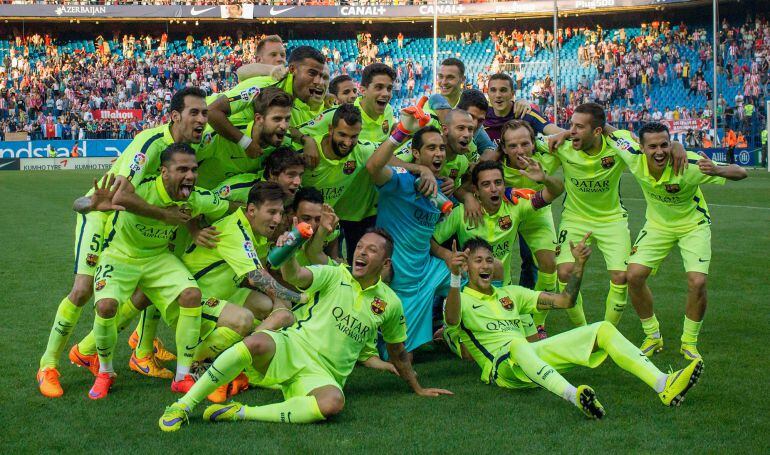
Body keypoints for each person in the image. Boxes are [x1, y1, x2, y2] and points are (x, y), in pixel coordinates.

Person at [159, 229, 451, 431]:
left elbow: (399, 351)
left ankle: (241, 412)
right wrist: (289, 252)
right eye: (360, 246)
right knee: (257, 341)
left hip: (323, 374)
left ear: (385, 263)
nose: (361, 252)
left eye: (371, 250)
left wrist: (418, 387)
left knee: (333, 403)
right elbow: (295, 275)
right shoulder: (335, 274)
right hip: (292, 347)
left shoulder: (390, 304)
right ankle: (183, 406)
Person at [37, 87, 208, 398]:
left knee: (146, 289)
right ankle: (47, 365)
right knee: (82, 290)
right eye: (194, 113)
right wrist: (164, 216)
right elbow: (119, 196)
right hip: (101, 214)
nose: (201, 120)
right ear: (175, 116)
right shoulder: (152, 142)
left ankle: (129, 349)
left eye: (205, 113)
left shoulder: (188, 148)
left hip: (134, 225)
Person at [444, 238, 704, 419]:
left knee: (602, 328)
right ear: (465, 266)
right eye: (477, 261)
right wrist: (455, 278)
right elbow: (453, 320)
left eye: (489, 260)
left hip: (530, 358)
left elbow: (565, 300)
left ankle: (663, 384)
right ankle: (572, 395)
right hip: (502, 370)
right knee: (517, 344)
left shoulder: (510, 293)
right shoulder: (458, 298)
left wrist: (578, 265)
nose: (485, 265)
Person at [83, 143, 232, 399]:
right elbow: (80, 204)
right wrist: (89, 204)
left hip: (158, 258)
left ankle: (182, 377)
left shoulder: (196, 197)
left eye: (194, 170)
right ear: (164, 172)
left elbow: (229, 206)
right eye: (182, 169)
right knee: (106, 306)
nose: (190, 176)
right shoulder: (141, 189)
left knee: (191, 295)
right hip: (119, 255)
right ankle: (105, 372)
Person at [621, 122, 747, 360]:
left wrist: (717, 170)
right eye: (653, 146)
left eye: (664, 145)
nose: (659, 151)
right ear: (641, 146)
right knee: (633, 276)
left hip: (693, 226)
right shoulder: (631, 155)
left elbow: (741, 172)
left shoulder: (687, 164)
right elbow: (607, 130)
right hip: (658, 225)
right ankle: (652, 336)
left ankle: (689, 342)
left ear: (671, 144)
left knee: (697, 282)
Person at [182, 182, 309, 401]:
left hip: (223, 294)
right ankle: (193, 361)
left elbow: (266, 270)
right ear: (252, 210)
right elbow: (257, 277)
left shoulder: (254, 230)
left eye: (280, 213)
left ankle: (241, 357)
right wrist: (300, 297)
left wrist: (285, 249)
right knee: (244, 319)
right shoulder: (235, 230)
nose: (277, 219)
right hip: (193, 299)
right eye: (271, 212)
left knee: (269, 306)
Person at [432, 159, 563, 341]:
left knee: (533, 342)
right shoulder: (461, 213)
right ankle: (449, 331)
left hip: (504, 291)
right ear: (476, 191)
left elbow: (555, 192)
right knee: (474, 352)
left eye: (498, 183)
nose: (494, 189)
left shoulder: (515, 206)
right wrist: (446, 254)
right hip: (471, 295)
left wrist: (545, 178)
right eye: (486, 184)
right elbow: (431, 241)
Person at [365, 100, 452, 353]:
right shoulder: (401, 181)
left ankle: (459, 333)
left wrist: (446, 254)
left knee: (489, 273)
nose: (439, 153)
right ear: (416, 153)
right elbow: (373, 166)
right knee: (402, 356)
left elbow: (424, 236)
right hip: (403, 281)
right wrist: (403, 131)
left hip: (430, 271)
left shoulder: (442, 190)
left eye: (442, 149)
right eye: (431, 148)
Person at [481, 120, 561, 336]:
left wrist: (544, 176)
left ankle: (538, 321)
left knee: (549, 263)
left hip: (537, 214)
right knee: (496, 265)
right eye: (513, 146)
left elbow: (572, 140)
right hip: (506, 215)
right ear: (504, 148)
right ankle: (498, 312)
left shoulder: (547, 158)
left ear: (534, 144)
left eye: (525, 144)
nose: (520, 150)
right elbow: (475, 182)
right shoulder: (496, 166)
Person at [207, 46, 328, 160]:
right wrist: (246, 143)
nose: (319, 82)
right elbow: (212, 111)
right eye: (312, 73)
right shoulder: (263, 87)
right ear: (292, 69)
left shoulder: (300, 100)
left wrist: (306, 139)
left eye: (322, 76)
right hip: (208, 143)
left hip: (235, 160)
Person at [196, 87, 293, 189]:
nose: (284, 126)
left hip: (237, 202)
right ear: (259, 119)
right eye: (277, 119)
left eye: (287, 119)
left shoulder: (285, 143)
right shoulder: (218, 136)